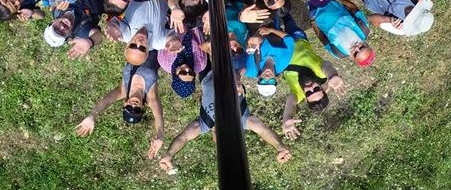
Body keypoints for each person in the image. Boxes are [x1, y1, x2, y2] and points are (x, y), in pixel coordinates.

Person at [159, 70, 291, 173]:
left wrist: (169, 154)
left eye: (220, 140)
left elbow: (184, 138)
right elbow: (263, 130)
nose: (223, 135)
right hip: (230, 71)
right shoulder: (241, 120)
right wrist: (280, 147)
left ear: (213, 137)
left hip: (207, 73)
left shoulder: (205, 124)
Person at [75, 50, 165, 159]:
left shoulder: (123, 91)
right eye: (136, 110)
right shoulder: (151, 97)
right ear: (142, 107)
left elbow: (106, 101)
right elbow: (158, 116)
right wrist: (160, 136)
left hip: (137, 41)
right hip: (158, 45)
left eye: (129, 108)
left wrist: (92, 115)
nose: (133, 105)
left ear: (124, 104)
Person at [282, 33, 347, 138]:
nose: (311, 87)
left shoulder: (298, 93)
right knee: (285, 17)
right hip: (298, 37)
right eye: (316, 89)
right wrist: (332, 75)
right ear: (323, 88)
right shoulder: (320, 74)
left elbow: (291, 103)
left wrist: (287, 116)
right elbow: (326, 66)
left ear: (305, 98)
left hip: (280, 49)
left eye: (308, 93)